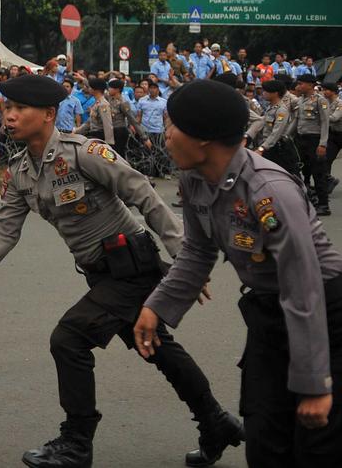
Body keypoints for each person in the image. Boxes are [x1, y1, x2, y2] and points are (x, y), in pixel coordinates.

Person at [0, 74, 241, 468]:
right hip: (101, 273)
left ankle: (76, 442)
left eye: (18, 109)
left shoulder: (84, 152)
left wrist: (184, 260)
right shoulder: (19, 171)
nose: (8, 116)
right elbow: (5, 231)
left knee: (69, 338)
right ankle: (215, 422)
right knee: (156, 348)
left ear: (47, 114)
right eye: (6, 109)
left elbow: (143, 193)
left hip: (130, 265)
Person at [137, 78, 342, 466]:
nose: (165, 136)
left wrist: (315, 383)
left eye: (172, 126)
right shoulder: (194, 179)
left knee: (317, 447)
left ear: (203, 138)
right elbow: (197, 252)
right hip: (269, 315)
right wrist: (157, 306)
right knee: (264, 440)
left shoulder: (268, 190)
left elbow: (303, 287)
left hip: (325, 316)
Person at [292, 74, 331, 216]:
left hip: (315, 140)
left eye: (301, 83)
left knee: (318, 173)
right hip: (301, 140)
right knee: (302, 171)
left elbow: (325, 123)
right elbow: (296, 121)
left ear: (310, 85)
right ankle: (309, 200)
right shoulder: (300, 100)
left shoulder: (320, 100)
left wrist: (323, 144)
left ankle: (323, 204)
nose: (298, 86)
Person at [247, 79, 300, 176]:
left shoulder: (281, 110)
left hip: (278, 149)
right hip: (269, 147)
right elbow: (262, 122)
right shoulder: (271, 107)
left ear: (275, 93)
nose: (263, 93)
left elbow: (276, 133)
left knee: (287, 174)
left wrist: (262, 148)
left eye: (266, 91)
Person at [74, 77, 114, 146]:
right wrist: (76, 131)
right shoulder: (97, 103)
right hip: (94, 136)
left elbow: (107, 125)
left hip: (100, 137)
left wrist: (109, 143)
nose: (88, 89)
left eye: (89, 87)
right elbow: (89, 122)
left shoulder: (103, 104)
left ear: (96, 89)